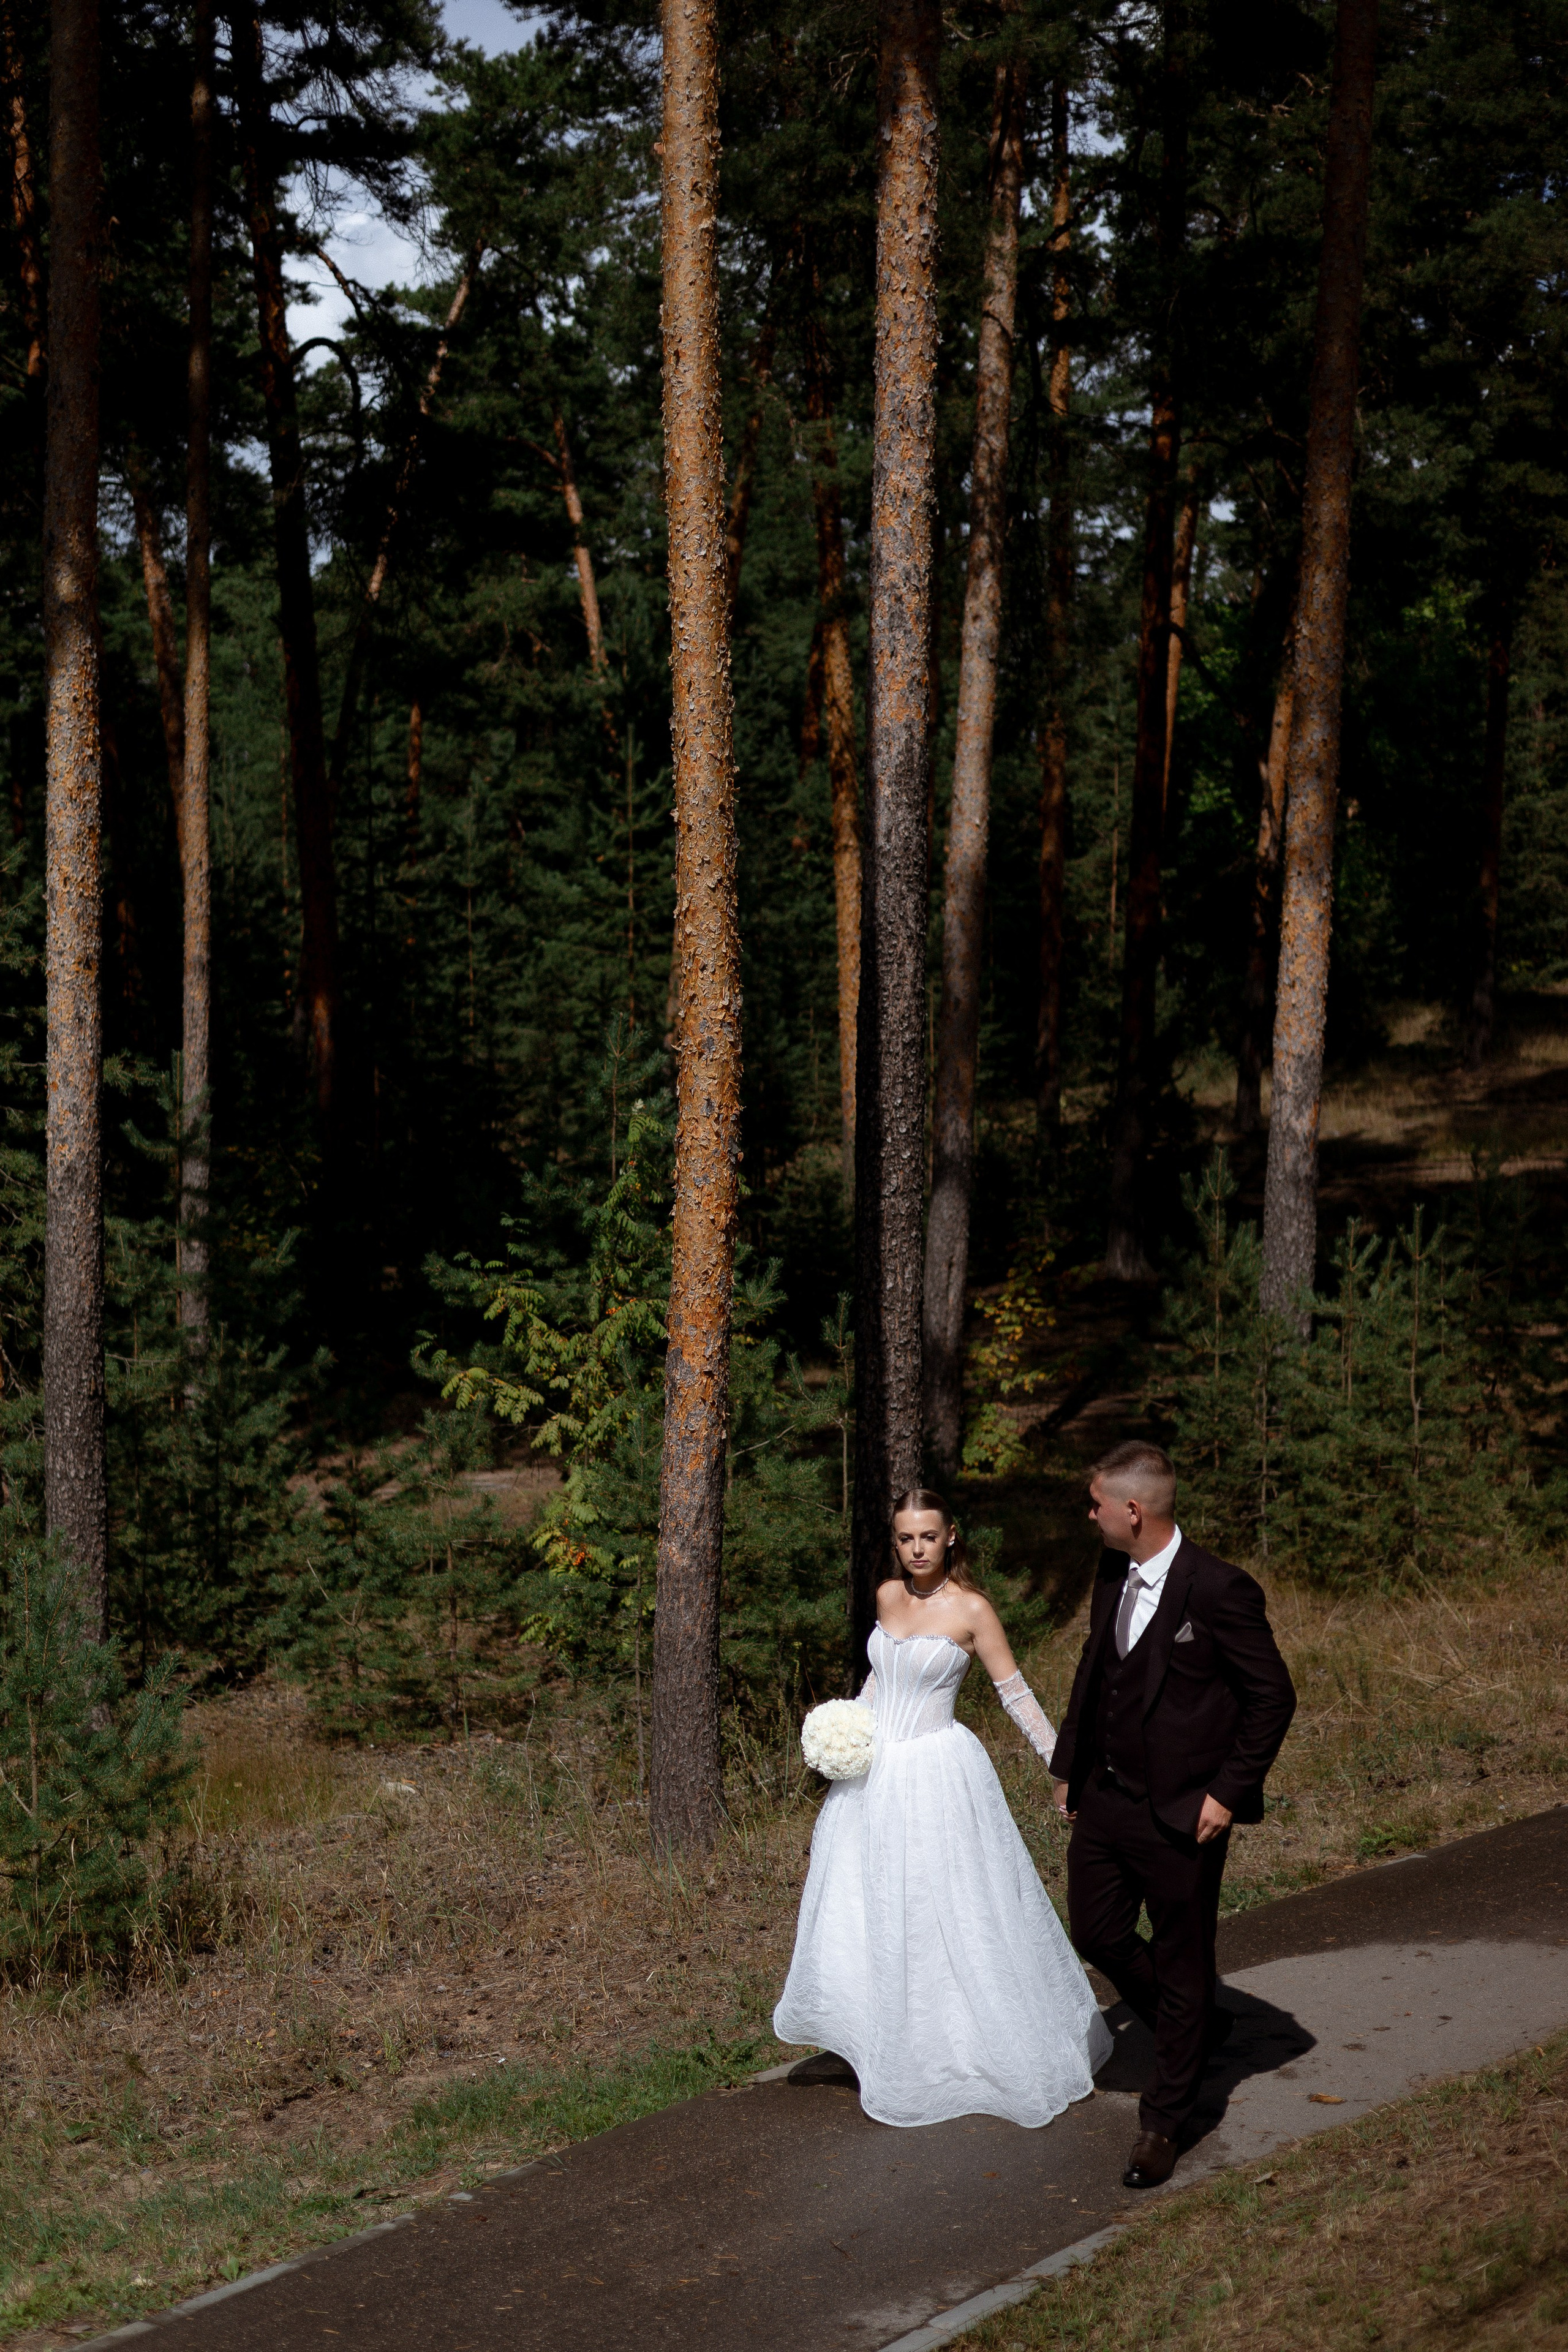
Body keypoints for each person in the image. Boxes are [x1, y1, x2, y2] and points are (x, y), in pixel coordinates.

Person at [773, 1488, 1112, 2130]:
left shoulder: (972, 1609)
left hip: (937, 1771)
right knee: (869, 1900)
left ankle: (958, 2041)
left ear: (951, 1536)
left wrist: (1063, 1768)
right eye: (905, 1538)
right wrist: (845, 1730)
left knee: (946, 1901)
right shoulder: (887, 1596)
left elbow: (1015, 1693)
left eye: (928, 1536)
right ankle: (876, 2037)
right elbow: (880, 1679)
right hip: (874, 1774)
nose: (917, 1549)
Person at [1049, 1440, 1297, 2190]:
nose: (1088, 1515)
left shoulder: (1219, 1589)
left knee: (1184, 1960)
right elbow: (1095, 1670)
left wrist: (1226, 1793)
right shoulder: (1111, 1572)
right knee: (1096, 1931)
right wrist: (1068, 1767)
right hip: (1105, 1795)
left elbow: (1271, 1698)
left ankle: (1163, 2122)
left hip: (1186, 1811)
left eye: (1095, 1503)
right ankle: (1194, 2025)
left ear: (1132, 1510)